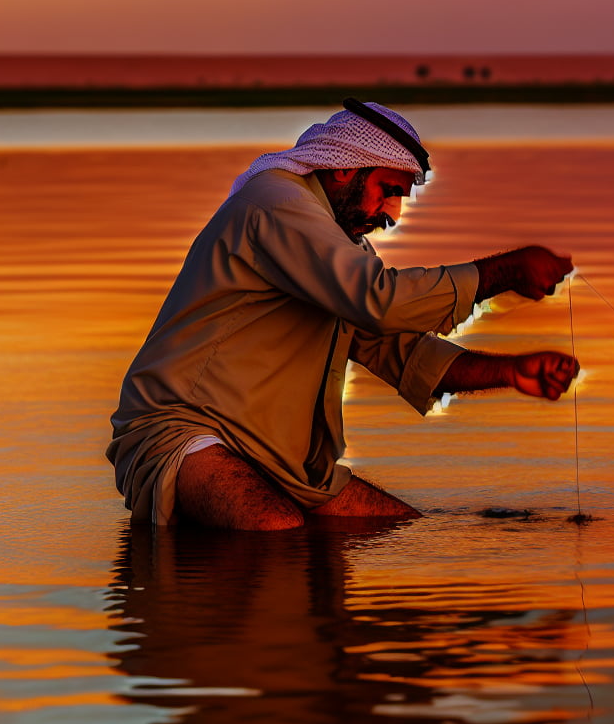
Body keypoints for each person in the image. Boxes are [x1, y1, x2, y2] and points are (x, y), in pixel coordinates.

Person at [107, 99, 578, 530]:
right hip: (182, 433)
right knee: (277, 529)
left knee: (397, 523)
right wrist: (505, 270)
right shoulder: (275, 202)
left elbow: (397, 349)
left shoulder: (340, 250)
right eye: (388, 190)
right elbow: (380, 300)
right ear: (344, 169)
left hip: (276, 459)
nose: (392, 212)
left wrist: (511, 371)